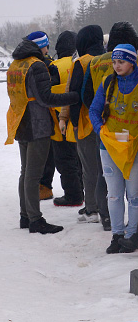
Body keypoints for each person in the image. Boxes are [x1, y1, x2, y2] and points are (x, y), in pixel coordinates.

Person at [6, 31, 79, 234]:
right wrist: (73, 97)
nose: (48, 49)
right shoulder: (36, 65)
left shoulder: (16, 65)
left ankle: (25, 215)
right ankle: (35, 219)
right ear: (42, 46)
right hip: (37, 125)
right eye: (46, 45)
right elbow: (46, 98)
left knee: (25, 172)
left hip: (19, 122)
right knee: (33, 175)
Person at [89, 44, 138, 254]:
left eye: (122, 62)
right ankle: (117, 235)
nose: (117, 66)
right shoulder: (108, 82)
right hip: (109, 146)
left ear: (132, 62)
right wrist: (100, 130)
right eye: (115, 62)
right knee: (114, 195)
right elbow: (94, 110)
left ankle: (132, 234)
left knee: (134, 195)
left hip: (133, 147)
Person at [61, 25, 108, 226]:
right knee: (106, 168)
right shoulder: (108, 60)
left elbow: (73, 94)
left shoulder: (81, 63)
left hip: (86, 123)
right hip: (108, 122)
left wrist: (67, 119)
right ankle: (106, 207)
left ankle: (92, 209)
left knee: (89, 168)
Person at [45, 31, 84, 208]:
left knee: (65, 161)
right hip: (80, 120)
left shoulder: (54, 66)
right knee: (81, 159)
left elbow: (47, 95)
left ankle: (73, 196)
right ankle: (83, 191)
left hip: (59, 122)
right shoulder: (81, 63)